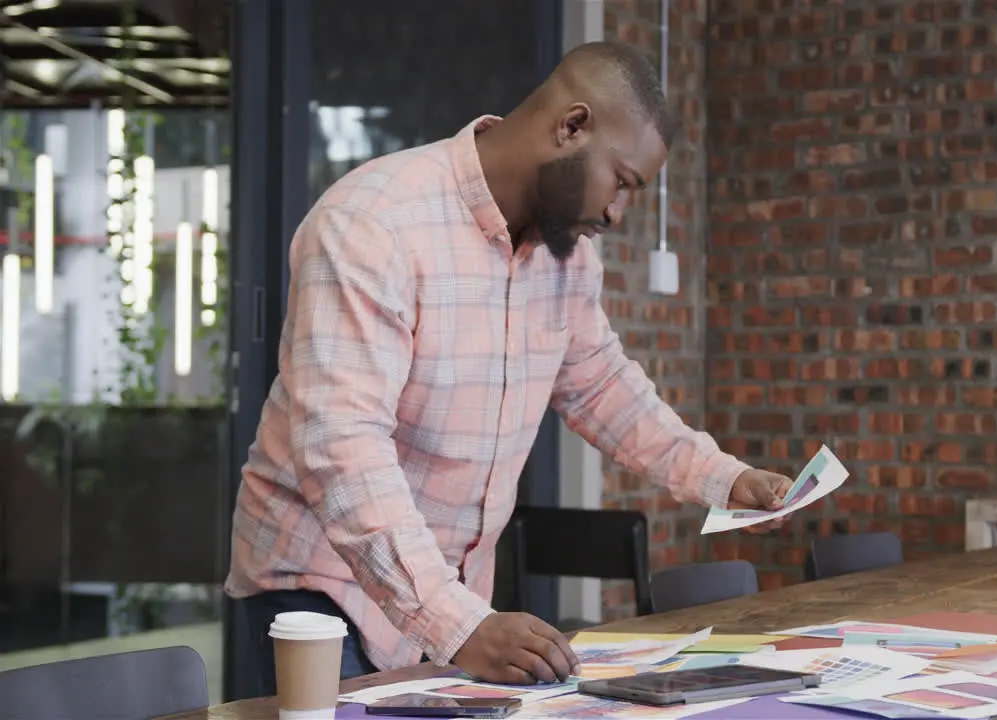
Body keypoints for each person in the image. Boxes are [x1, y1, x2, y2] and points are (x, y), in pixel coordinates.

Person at [225, 41, 794, 692]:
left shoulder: (566, 259)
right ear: (572, 126)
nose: (616, 214)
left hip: (443, 605)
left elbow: (601, 385)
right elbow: (341, 449)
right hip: (318, 594)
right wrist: (459, 623)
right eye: (622, 183)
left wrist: (724, 477)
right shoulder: (372, 224)